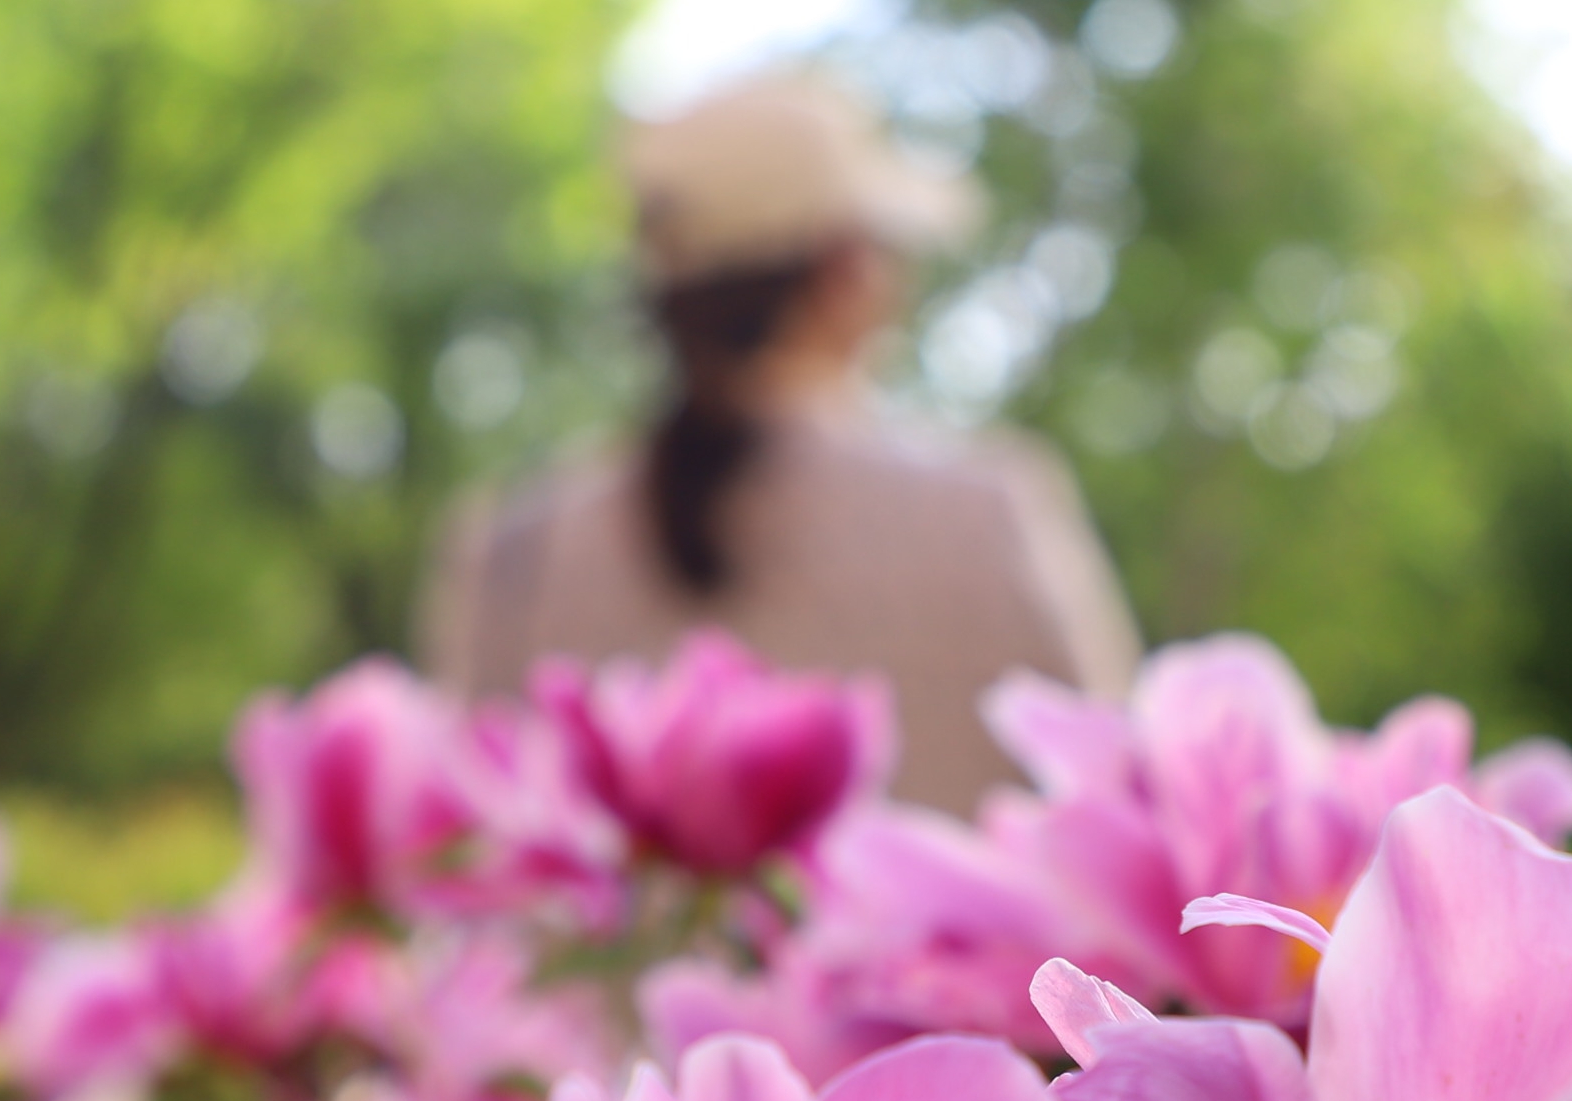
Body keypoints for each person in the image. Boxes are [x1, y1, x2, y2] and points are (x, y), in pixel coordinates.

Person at [420, 72, 1140, 812]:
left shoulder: (515, 546)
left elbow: (468, 830)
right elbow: (1116, 787)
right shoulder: (984, 507)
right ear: (845, 270)